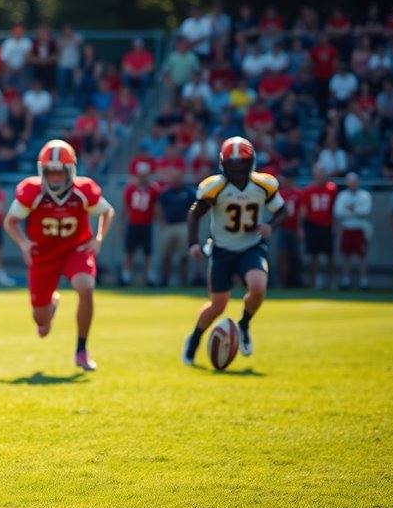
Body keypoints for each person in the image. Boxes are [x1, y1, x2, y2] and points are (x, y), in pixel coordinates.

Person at [3, 140, 115, 371]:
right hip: (43, 255)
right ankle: (50, 306)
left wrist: (99, 238)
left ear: (70, 171)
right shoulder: (32, 192)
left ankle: (81, 349)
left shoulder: (83, 190)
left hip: (76, 248)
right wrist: (23, 244)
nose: (54, 178)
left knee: (86, 287)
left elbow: (107, 211)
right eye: (50, 173)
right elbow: (11, 222)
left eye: (59, 172)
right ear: (42, 171)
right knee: (41, 322)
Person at [182, 137, 287, 365]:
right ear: (223, 164)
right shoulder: (215, 187)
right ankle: (194, 339)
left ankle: (244, 324)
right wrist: (193, 243)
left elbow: (282, 210)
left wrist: (271, 225)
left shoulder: (263, 185)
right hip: (222, 248)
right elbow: (194, 214)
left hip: (251, 246)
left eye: (242, 165)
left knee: (258, 287)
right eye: (233, 165)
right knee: (218, 304)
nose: (238, 170)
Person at [121, 160, 160, 287]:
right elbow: (125, 206)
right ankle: (126, 276)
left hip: (146, 224)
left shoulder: (153, 188)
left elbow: (156, 207)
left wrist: (158, 220)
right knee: (129, 251)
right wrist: (122, 224)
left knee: (147, 252)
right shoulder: (131, 188)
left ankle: (149, 277)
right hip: (133, 223)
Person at [300, 165, 339, 290]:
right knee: (313, 256)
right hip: (313, 225)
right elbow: (304, 210)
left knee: (330, 255)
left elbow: (335, 209)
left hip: (327, 226)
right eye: (317, 174)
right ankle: (315, 281)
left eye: (321, 173)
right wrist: (302, 227)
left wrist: (335, 225)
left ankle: (332, 281)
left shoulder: (332, 189)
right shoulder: (308, 190)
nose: (319, 176)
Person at [333, 173, 372, 290]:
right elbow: (338, 212)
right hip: (346, 228)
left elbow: (366, 211)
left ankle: (363, 281)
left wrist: (350, 210)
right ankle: (346, 280)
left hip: (360, 229)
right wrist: (356, 211)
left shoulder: (365, 195)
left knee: (362, 256)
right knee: (346, 256)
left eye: (354, 182)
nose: (353, 185)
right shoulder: (342, 195)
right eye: (350, 182)